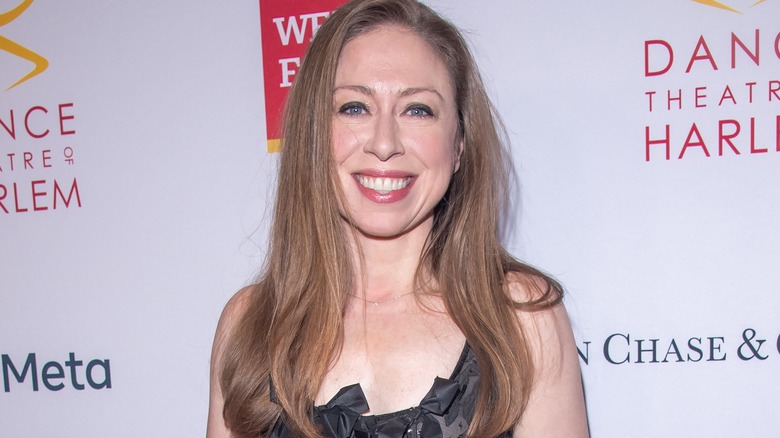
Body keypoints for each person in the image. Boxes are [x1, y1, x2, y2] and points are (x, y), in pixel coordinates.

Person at [207, 0, 589, 436]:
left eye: (417, 110)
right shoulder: (252, 323)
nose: (384, 143)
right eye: (354, 107)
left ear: (460, 143)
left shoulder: (521, 318)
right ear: (313, 134)